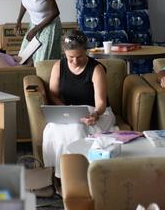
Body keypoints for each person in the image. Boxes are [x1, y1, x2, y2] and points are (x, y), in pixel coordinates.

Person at [42, 30, 117, 177]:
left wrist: (95, 114)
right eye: (70, 58)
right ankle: (57, 175)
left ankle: (77, 175)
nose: (75, 61)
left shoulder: (96, 69)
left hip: (98, 112)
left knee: (76, 129)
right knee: (52, 128)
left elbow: (101, 102)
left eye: (80, 57)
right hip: (69, 110)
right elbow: (53, 95)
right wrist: (65, 110)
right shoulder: (59, 66)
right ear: (64, 52)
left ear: (86, 51)